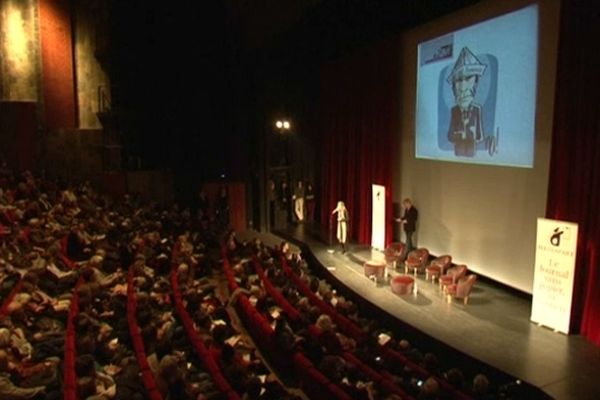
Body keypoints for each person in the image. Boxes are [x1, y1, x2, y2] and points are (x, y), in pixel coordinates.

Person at [446, 46, 486, 157]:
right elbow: (449, 136)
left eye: (468, 79)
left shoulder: (477, 110)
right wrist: (459, 134)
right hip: (457, 155)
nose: (463, 87)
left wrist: (470, 133)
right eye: (459, 80)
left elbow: (479, 136)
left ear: (475, 83)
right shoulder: (454, 111)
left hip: (471, 153)